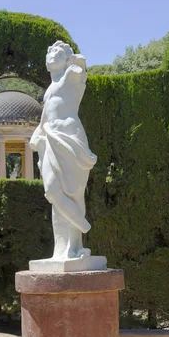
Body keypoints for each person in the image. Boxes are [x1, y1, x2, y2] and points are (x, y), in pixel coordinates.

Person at [29, 41, 97, 260]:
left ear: (66, 58)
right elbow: (45, 117)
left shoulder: (72, 75)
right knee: (51, 191)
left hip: (70, 138)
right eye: (48, 52)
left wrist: (71, 58)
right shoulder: (48, 90)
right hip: (50, 139)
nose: (51, 54)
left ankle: (73, 247)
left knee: (73, 193)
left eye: (57, 52)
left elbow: (80, 65)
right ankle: (80, 227)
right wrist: (37, 134)